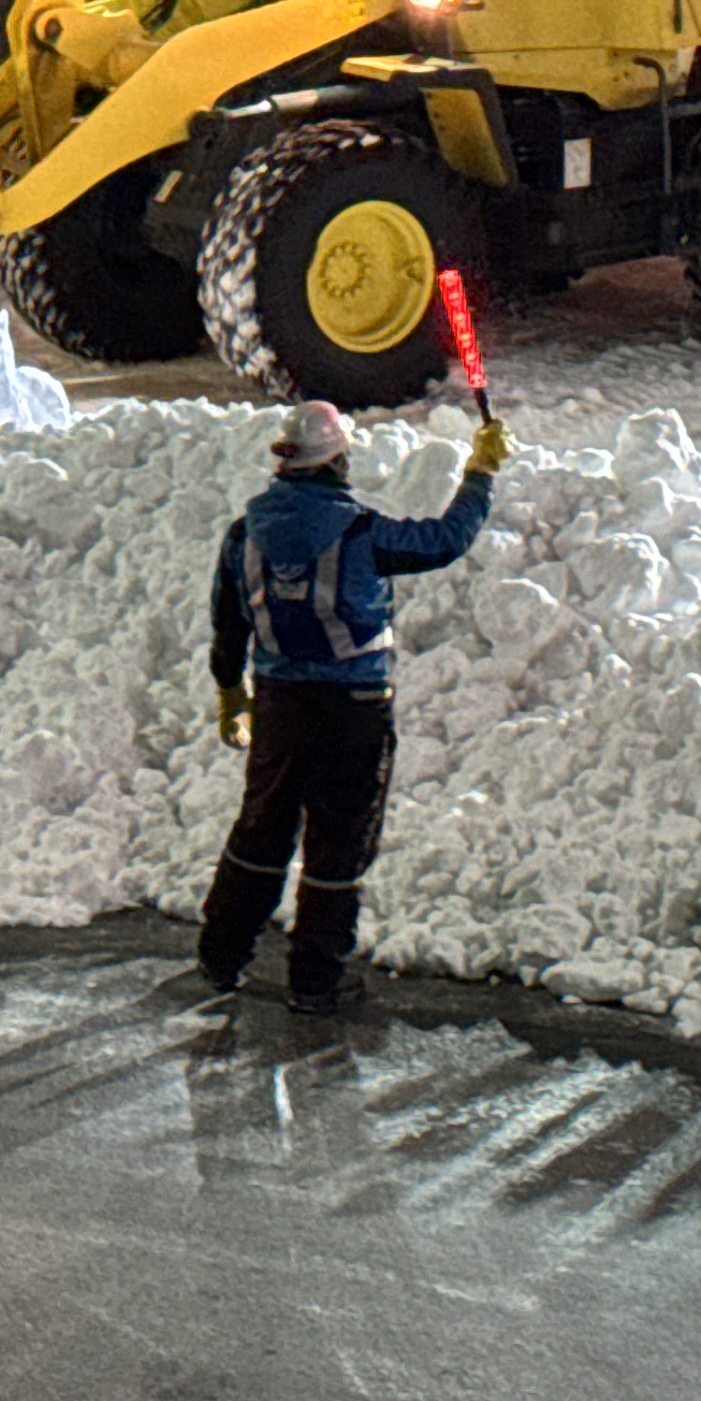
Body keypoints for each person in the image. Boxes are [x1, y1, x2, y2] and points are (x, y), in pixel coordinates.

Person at [197, 397, 512, 1014]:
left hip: (281, 708)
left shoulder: (245, 535)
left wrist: (230, 691)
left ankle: (221, 955)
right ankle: (316, 979)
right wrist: (480, 473)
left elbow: (228, 622)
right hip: (354, 709)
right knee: (338, 840)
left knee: (262, 827)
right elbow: (446, 540)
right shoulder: (363, 532)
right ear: (337, 461)